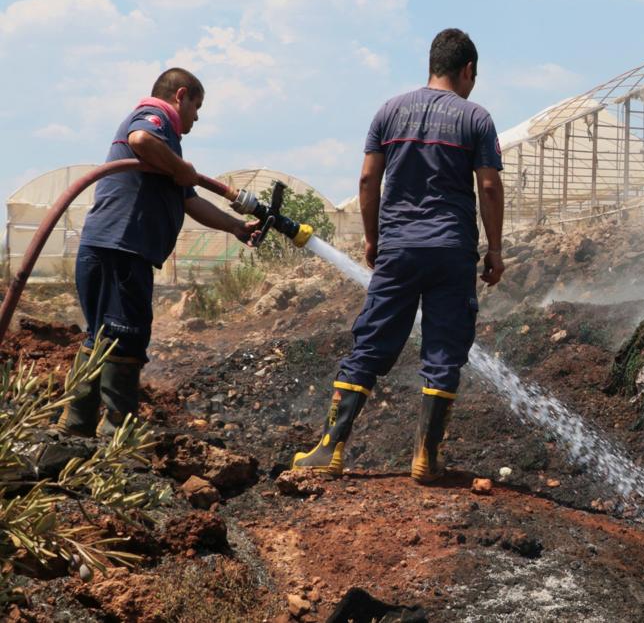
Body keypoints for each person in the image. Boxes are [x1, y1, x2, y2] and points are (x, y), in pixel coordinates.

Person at [293, 28, 505, 482]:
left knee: (370, 343)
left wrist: (372, 239)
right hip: (452, 250)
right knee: (444, 351)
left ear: (432, 65)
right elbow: (488, 185)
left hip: (399, 249)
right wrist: (496, 250)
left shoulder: (388, 112)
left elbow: (369, 181)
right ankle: (426, 459)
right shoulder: (476, 119)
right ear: (467, 70)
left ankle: (330, 449)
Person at [58, 68, 258, 436]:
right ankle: (116, 442)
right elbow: (140, 139)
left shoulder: (168, 148)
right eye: (197, 107)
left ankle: (73, 432)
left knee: (101, 336)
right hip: (123, 247)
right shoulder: (156, 118)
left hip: (109, 246)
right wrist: (181, 167)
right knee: (126, 335)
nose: (197, 117)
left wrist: (234, 227)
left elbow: (189, 200)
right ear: (180, 96)